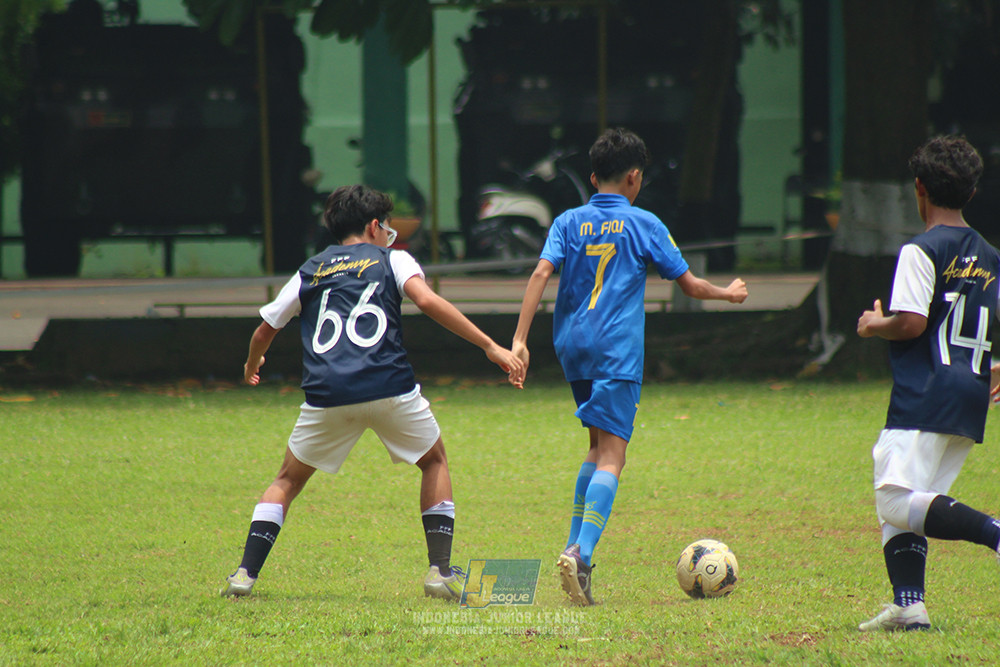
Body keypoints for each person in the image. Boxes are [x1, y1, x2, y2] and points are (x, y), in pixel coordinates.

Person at [220, 184, 524, 601]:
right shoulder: (392, 259)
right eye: (388, 227)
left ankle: (243, 574)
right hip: (388, 386)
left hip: (326, 394)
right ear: (374, 226)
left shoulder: (311, 269)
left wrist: (252, 364)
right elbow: (429, 302)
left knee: (287, 479)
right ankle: (438, 570)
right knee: (434, 460)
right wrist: (490, 346)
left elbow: (264, 331)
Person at [508, 128, 748, 605]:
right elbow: (690, 286)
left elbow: (540, 273)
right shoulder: (644, 223)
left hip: (572, 347)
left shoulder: (568, 220)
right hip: (616, 352)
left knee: (596, 447)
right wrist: (729, 293)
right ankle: (582, 553)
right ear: (635, 177)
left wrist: (518, 339)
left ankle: (575, 552)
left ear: (594, 176)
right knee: (614, 455)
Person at [856, 135, 1000, 632]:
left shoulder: (921, 250)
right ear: (972, 191)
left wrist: (875, 325)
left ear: (919, 188)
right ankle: (909, 606)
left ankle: (995, 533)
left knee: (894, 498)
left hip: (926, 392)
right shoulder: (989, 255)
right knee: (913, 500)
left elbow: (913, 323)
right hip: (970, 394)